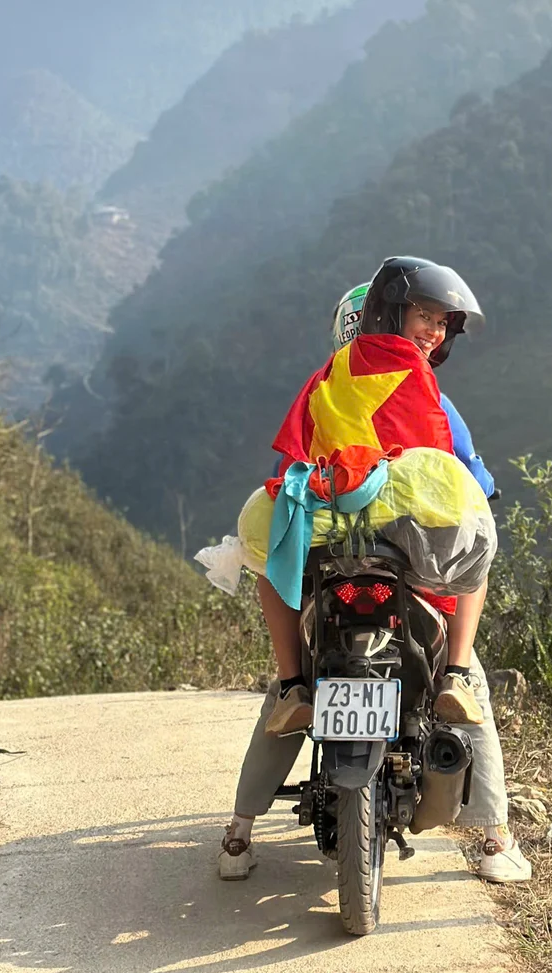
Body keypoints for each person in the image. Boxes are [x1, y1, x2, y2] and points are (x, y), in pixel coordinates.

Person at [219, 261, 531, 884]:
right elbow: (470, 481)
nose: (435, 333)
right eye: (428, 319)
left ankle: (239, 833)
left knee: (298, 679)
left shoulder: (326, 383)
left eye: (441, 324)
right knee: (473, 601)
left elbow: (292, 471)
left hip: (327, 556)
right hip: (407, 564)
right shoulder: (428, 395)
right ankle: (495, 838)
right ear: (396, 318)